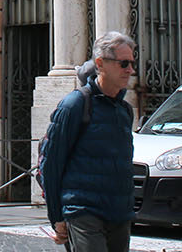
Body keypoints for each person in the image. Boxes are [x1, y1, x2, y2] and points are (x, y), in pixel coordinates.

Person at [38, 31, 136, 251]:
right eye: (124, 63)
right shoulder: (75, 104)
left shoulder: (125, 111)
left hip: (119, 213)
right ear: (100, 64)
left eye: (131, 62)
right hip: (84, 211)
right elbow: (51, 164)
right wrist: (57, 217)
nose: (131, 70)